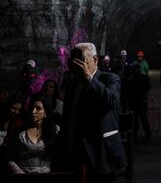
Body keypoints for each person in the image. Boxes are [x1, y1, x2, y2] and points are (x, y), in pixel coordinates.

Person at [56, 42, 126, 182]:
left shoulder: (110, 78)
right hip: (75, 152)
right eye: (74, 61)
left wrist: (89, 78)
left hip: (101, 154)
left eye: (81, 60)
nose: (78, 65)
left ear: (95, 60)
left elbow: (112, 100)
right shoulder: (72, 82)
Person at [6, 93, 57, 174]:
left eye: (38, 108)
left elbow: (57, 158)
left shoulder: (53, 132)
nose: (34, 111)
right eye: (32, 108)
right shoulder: (20, 132)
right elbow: (9, 156)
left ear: (45, 113)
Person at [127, 62, 152, 144]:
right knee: (143, 118)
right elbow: (148, 87)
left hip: (135, 102)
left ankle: (135, 136)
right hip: (141, 101)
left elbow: (128, 91)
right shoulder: (144, 78)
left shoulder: (131, 79)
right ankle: (147, 134)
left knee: (135, 120)